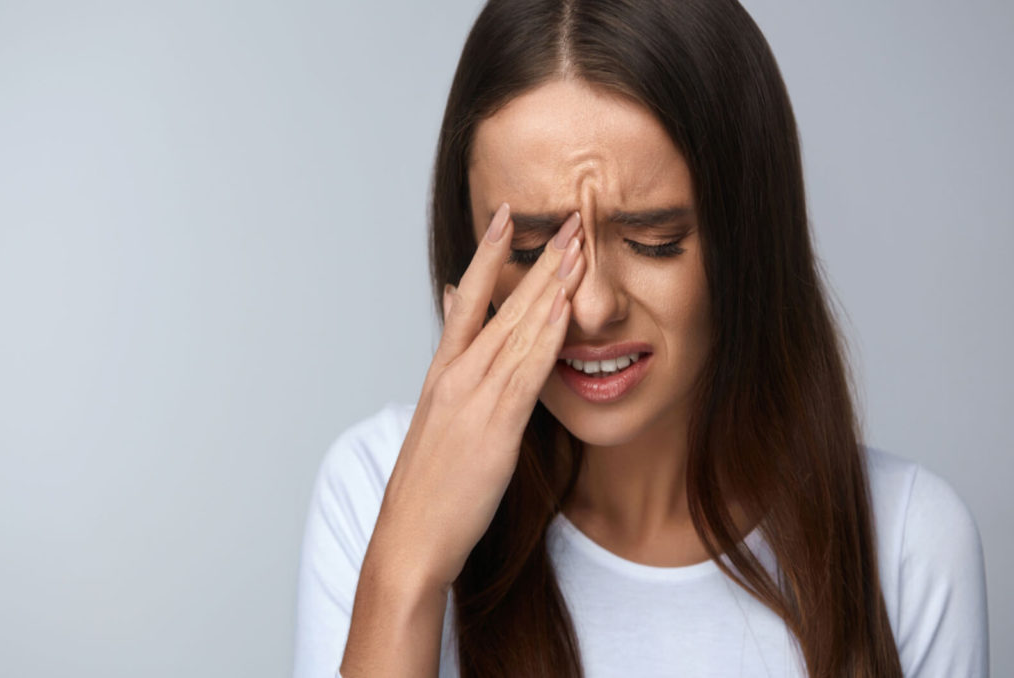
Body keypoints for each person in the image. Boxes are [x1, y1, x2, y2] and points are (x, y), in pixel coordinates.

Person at [292, 0, 989, 676]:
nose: (592, 307)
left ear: (748, 240)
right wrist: (408, 573)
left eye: (656, 242)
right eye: (533, 250)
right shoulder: (375, 485)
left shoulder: (905, 543)